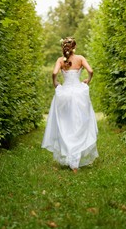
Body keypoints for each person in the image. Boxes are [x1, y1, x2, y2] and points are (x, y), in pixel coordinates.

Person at [41, 37, 98, 173]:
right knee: (79, 123)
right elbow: (91, 71)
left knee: (66, 124)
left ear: (64, 47)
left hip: (65, 93)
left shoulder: (60, 61)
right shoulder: (80, 58)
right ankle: (75, 159)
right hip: (78, 93)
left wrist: (55, 83)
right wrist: (87, 81)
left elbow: (54, 73)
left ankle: (70, 156)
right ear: (74, 47)